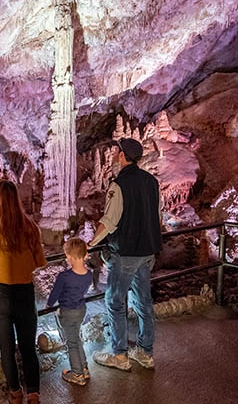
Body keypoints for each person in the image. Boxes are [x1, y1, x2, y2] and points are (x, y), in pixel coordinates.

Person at [88, 138, 162, 372]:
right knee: (143, 301)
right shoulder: (151, 182)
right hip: (147, 251)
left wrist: (91, 243)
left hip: (126, 252)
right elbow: (156, 216)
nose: (114, 154)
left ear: (121, 155)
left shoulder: (118, 185)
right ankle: (145, 352)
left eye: (116, 151)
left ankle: (120, 355)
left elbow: (109, 222)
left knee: (115, 301)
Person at [0, 180, 47, 404]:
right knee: (28, 348)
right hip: (24, 293)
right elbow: (39, 261)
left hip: (0, 293)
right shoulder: (30, 227)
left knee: (6, 348)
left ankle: (16, 397)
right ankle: (34, 401)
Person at [46, 237, 93, 386]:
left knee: (71, 343)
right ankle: (84, 368)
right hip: (81, 309)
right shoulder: (89, 274)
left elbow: (55, 293)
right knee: (76, 338)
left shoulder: (64, 277)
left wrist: (49, 304)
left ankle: (77, 374)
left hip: (67, 312)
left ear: (68, 256)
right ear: (85, 255)